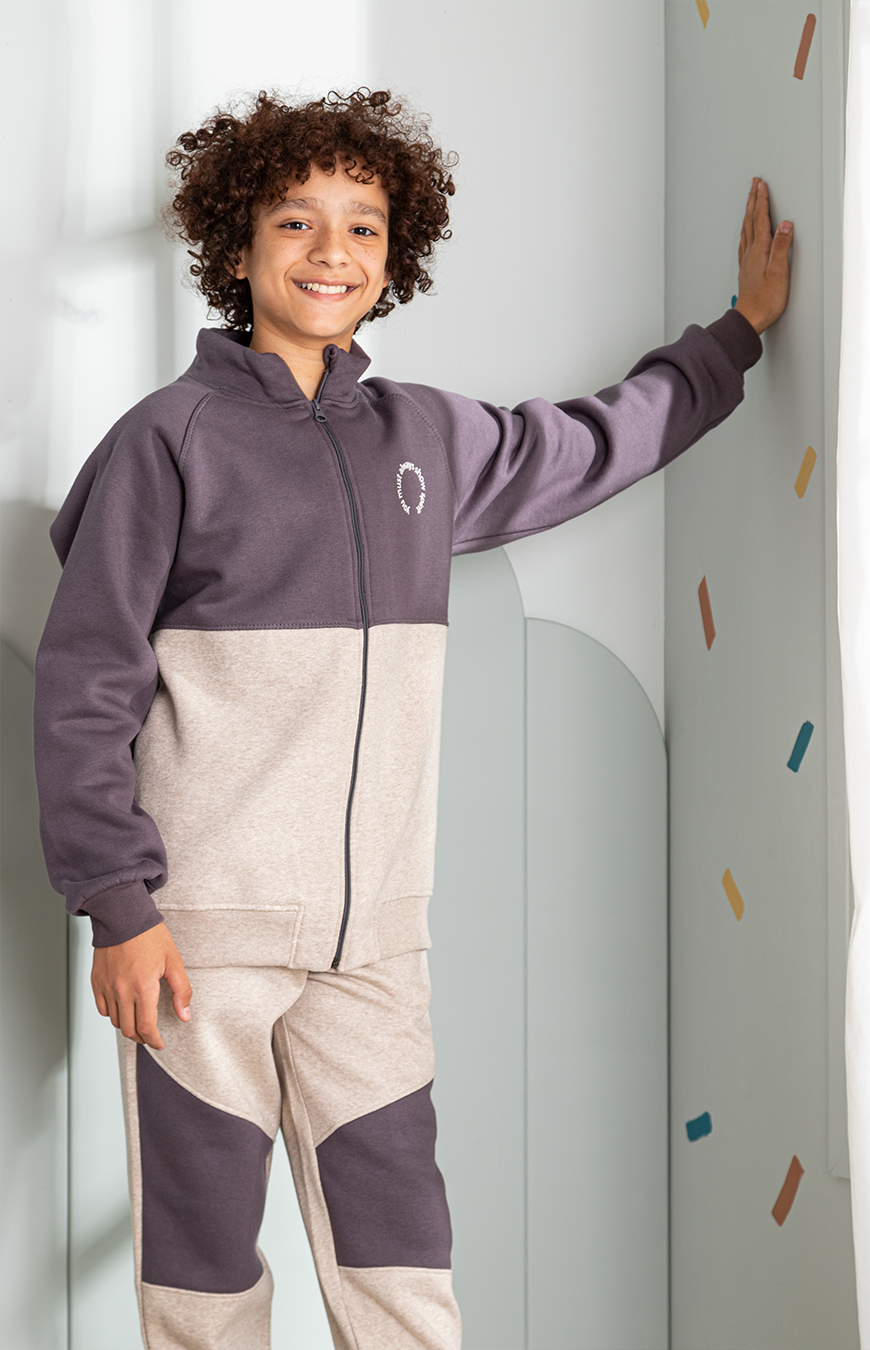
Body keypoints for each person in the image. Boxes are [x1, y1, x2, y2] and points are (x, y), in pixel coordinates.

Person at [34, 87, 792, 1350]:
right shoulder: (170, 441)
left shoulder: (424, 437)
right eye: (296, 221)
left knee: (403, 1269)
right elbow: (83, 685)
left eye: (364, 226)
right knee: (204, 1279)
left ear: (397, 255)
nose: (331, 250)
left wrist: (737, 338)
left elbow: (590, 444)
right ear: (238, 247)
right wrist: (119, 906)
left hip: (376, 946)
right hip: (198, 940)